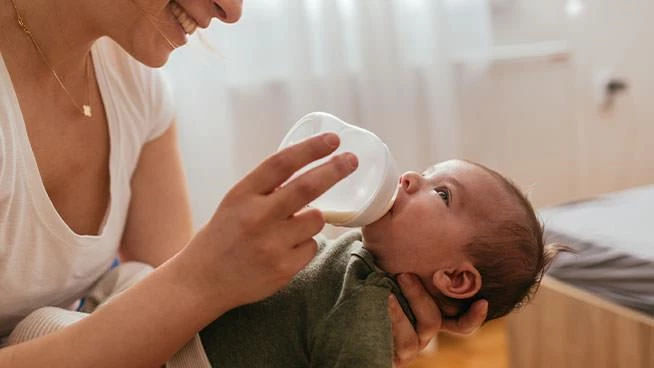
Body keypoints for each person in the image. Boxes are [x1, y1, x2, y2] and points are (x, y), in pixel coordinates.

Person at [0, 0, 489, 367]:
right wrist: (202, 277)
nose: (232, 11)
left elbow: (172, 327)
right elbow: (175, 292)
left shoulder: (134, 85)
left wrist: (329, 329)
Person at [197, 159, 564, 367]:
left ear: (454, 276)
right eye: (427, 171)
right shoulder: (372, 259)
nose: (410, 177)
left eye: (441, 193)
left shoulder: (368, 309)